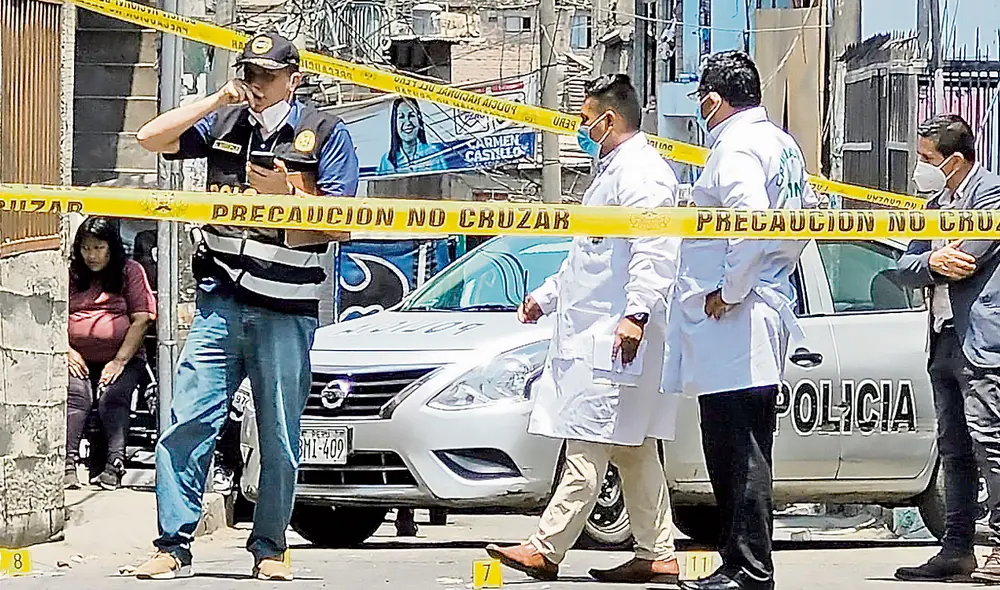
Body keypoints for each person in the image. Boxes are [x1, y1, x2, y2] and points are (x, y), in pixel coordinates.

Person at [133, 31, 359, 581]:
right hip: (221, 301)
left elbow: (345, 220)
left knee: (278, 432)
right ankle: (172, 544)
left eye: (267, 77)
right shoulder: (227, 124)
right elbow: (149, 138)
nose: (256, 86)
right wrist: (216, 100)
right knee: (188, 421)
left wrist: (285, 198)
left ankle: (270, 547)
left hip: (285, 308)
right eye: (249, 75)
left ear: (293, 79)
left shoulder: (325, 132)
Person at [485, 73, 682, 584]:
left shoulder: (644, 174)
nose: (579, 127)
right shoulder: (611, 173)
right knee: (632, 449)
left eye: (583, 118)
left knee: (588, 443)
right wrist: (546, 297)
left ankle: (546, 547)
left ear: (607, 120)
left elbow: (654, 250)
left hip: (617, 333)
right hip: (598, 328)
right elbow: (589, 260)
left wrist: (636, 314)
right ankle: (657, 551)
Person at [665, 51, 817, 590]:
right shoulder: (782, 144)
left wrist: (730, 289)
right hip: (762, 303)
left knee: (736, 449)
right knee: (741, 444)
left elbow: (749, 222)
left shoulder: (734, 146)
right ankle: (739, 562)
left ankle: (748, 569)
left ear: (712, 99)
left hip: (736, 316)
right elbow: (802, 221)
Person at [894, 114, 1000, 584]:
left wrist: (935, 262)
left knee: (990, 442)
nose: (920, 168)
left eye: (927, 159)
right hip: (942, 337)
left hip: (980, 340)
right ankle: (957, 548)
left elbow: (968, 258)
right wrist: (931, 260)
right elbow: (905, 265)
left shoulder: (990, 195)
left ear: (954, 161)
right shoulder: (936, 205)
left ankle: (998, 544)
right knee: (954, 449)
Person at [66, 216, 157, 491]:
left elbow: (142, 319)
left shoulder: (130, 271)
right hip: (74, 356)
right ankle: (66, 465)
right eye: (86, 248)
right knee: (77, 397)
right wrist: (67, 351)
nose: (91, 255)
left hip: (124, 357)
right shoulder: (71, 273)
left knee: (112, 396)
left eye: (98, 248)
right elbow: (53, 314)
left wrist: (119, 361)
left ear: (111, 247)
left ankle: (113, 464)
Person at [377, 97, 448, 174]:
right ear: (394, 123)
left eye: (411, 115)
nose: (407, 122)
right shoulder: (387, 160)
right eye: (401, 117)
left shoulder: (433, 156)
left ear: (419, 120)